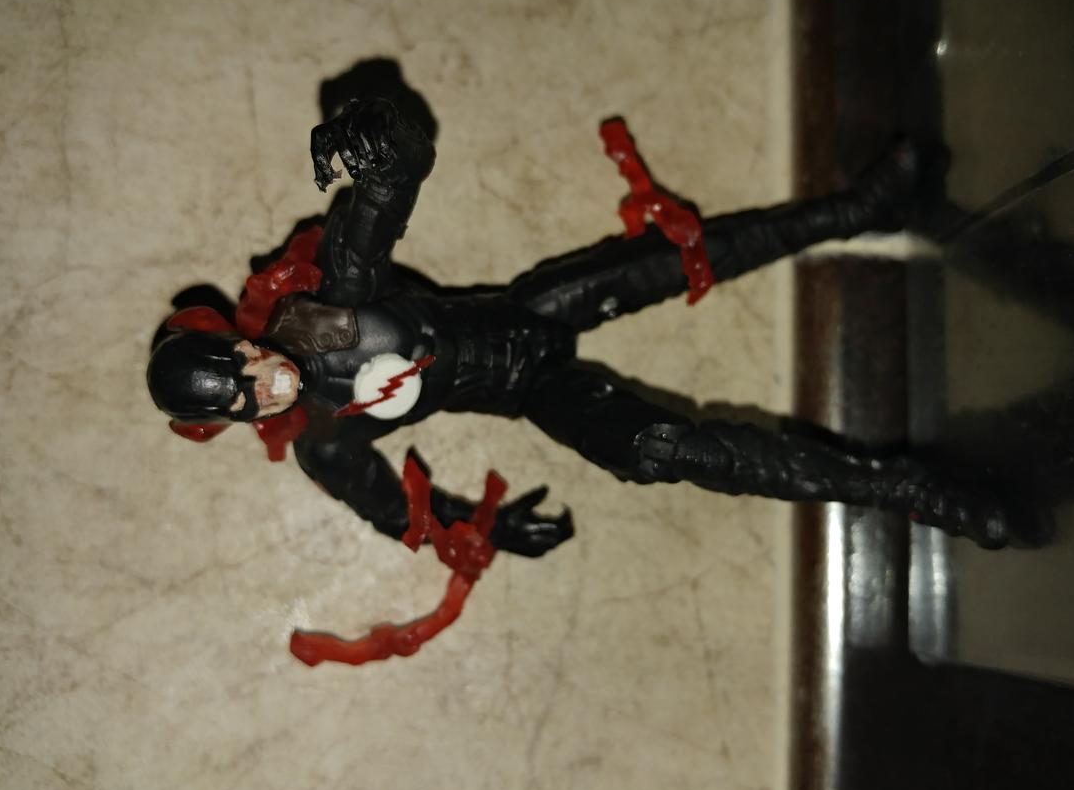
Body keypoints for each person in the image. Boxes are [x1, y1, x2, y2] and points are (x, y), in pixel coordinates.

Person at [147, 97, 1010, 557]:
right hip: (532, 390)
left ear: (240, 336)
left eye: (243, 362)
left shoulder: (330, 304)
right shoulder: (326, 441)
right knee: (664, 451)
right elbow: (397, 512)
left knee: (679, 256)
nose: (265, 382)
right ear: (234, 423)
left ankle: (862, 208)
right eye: (245, 398)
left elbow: (397, 176)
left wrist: (376, 134)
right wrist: (484, 528)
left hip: (531, 309)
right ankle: (903, 489)